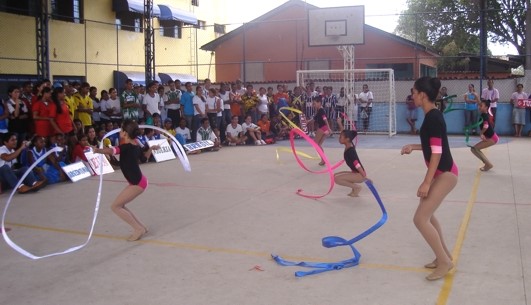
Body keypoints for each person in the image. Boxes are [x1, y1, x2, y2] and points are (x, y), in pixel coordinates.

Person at [400, 76, 458, 281]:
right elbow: (433, 145)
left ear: (423, 95)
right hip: (443, 172)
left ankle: (444, 262)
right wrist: (414, 147)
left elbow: (437, 152)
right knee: (429, 215)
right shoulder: (432, 115)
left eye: (414, 92)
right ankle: (443, 256)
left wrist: (427, 181)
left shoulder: (433, 117)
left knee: (420, 218)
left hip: (446, 174)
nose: (412, 95)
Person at [93, 120, 155, 241]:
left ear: (125, 133)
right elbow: (144, 158)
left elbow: (111, 151)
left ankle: (138, 229)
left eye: (121, 130)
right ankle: (141, 227)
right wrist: (151, 148)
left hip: (137, 183)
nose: (120, 132)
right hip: (139, 181)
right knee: (120, 205)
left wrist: (97, 151)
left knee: (115, 207)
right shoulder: (136, 145)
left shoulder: (126, 147)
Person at [334, 117, 368, 197]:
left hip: (359, 174)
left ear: (347, 139)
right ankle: (354, 188)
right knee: (335, 175)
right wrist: (339, 123)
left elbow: (357, 164)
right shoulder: (349, 143)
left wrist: (365, 177)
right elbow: (344, 133)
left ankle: (357, 187)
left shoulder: (350, 151)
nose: (339, 138)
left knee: (337, 179)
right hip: (355, 172)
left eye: (340, 137)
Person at [471, 99, 498, 172]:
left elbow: (486, 126)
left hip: (492, 138)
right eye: (479, 105)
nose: (479, 107)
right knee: (474, 149)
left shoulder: (484, 116)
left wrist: (481, 133)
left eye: (481, 106)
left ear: (486, 107)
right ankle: (487, 164)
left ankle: (488, 164)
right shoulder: (484, 114)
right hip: (492, 137)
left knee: (474, 149)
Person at [307, 95, 331, 166]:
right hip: (324, 128)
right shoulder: (319, 110)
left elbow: (325, 119)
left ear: (319, 103)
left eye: (314, 103)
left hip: (323, 128)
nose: (313, 105)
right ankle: (323, 159)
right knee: (319, 144)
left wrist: (329, 128)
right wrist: (307, 121)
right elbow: (314, 119)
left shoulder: (321, 110)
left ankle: (323, 159)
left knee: (315, 143)